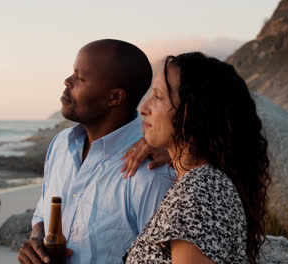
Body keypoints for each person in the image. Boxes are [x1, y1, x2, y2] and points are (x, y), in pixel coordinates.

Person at [17, 39, 173, 264]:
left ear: (115, 97)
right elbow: (43, 213)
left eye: (80, 78)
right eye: (73, 73)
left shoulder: (150, 171)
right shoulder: (61, 145)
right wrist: (37, 240)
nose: (67, 81)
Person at [124, 52, 271, 264]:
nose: (144, 108)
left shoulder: (202, 187)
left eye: (158, 97)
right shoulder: (204, 183)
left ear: (192, 113)